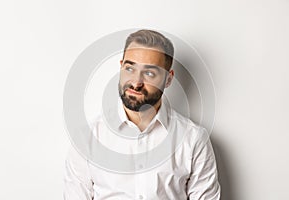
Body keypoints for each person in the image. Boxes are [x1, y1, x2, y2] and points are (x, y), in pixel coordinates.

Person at [64, 29, 221, 199]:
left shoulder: (193, 139)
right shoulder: (87, 140)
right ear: (121, 66)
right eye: (130, 69)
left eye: (149, 73)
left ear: (168, 79)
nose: (136, 83)